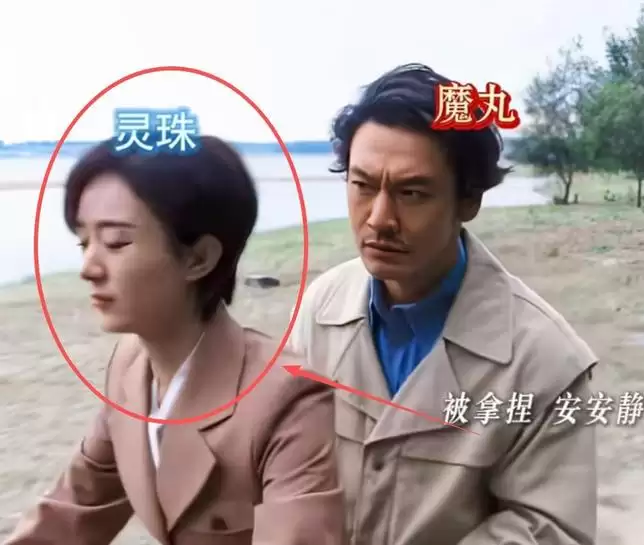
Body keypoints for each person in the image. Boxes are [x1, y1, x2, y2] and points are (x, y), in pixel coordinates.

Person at [288, 63, 599, 545]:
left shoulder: (545, 361)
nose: (379, 219)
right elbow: (288, 466)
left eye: (412, 193)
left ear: (468, 201)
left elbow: (550, 528)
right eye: (362, 185)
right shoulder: (320, 309)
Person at [5, 136, 346, 545]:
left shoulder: (290, 399)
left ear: (198, 258)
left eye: (115, 243)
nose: (88, 268)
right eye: (84, 242)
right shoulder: (130, 368)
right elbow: (73, 510)